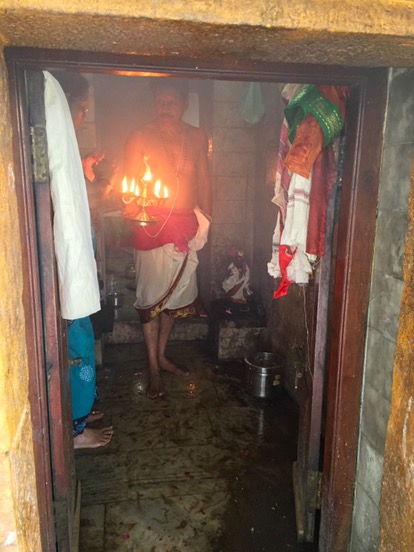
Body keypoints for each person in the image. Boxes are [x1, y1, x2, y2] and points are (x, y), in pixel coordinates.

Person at [123, 78, 212, 399]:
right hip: (151, 226)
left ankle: (161, 356)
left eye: (171, 102)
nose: (165, 107)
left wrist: (207, 223)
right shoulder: (140, 136)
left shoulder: (197, 136)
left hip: (186, 224)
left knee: (174, 298)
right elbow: (129, 183)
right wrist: (131, 207)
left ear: (184, 104)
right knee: (150, 299)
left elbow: (204, 179)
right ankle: (153, 369)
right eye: (160, 102)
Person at [52, 71, 114, 448]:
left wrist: (86, 168)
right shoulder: (55, 146)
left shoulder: (64, 146)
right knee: (76, 345)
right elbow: (85, 200)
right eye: (82, 108)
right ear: (66, 104)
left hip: (76, 267)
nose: (83, 116)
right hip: (67, 272)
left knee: (83, 340)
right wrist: (104, 185)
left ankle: (80, 408)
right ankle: (74, 432)